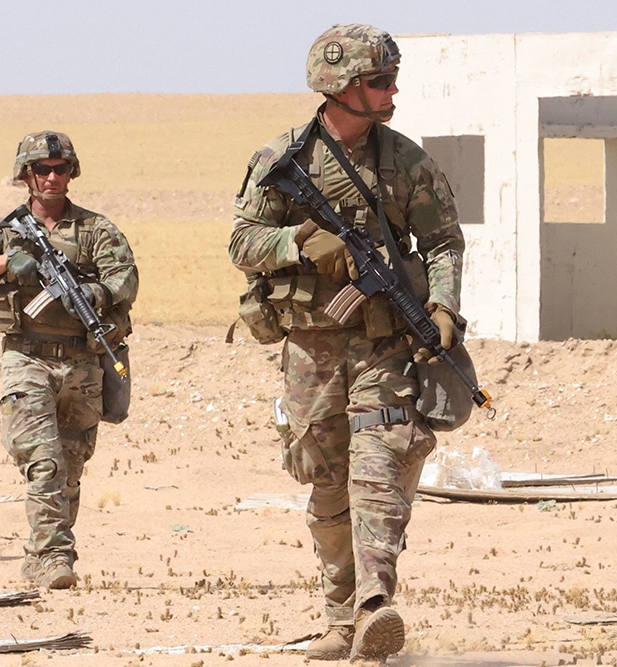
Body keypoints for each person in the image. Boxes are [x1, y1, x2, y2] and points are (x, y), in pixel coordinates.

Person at [229, 24, 465, 662]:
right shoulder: (284, 161)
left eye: (392, 79)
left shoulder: (407, 162)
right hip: (309, 348)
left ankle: (373, 603)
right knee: (328, 483)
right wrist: (299, 242)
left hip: (385, 343)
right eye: (378, 81)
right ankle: (340, 617)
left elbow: (443, 241)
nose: (392, 91)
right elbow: (241, 243)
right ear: (340, 88)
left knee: (382, 460)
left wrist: (443, 306)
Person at [0, 131, 138, 590]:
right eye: (42, 169)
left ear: (72, 172)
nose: (52, 177)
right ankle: (55, 557)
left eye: (60, 169)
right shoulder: (5, 231)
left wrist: (91, 293)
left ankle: (43, 554)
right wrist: (2, 265)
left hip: (81, 362)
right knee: (44, 460)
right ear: (26, 176)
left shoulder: (97, 230)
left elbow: (125, 281)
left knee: (70, 466)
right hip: (27, 359)